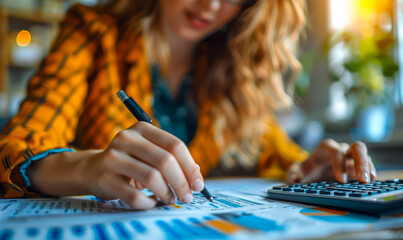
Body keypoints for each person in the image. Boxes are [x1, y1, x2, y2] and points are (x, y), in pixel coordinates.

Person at [0, 0, 376, 209]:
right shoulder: (92, 34)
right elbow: (15, 150)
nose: (210, 5)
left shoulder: (230, 69)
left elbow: (274, 152)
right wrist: (88, 167)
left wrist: (309, 166)